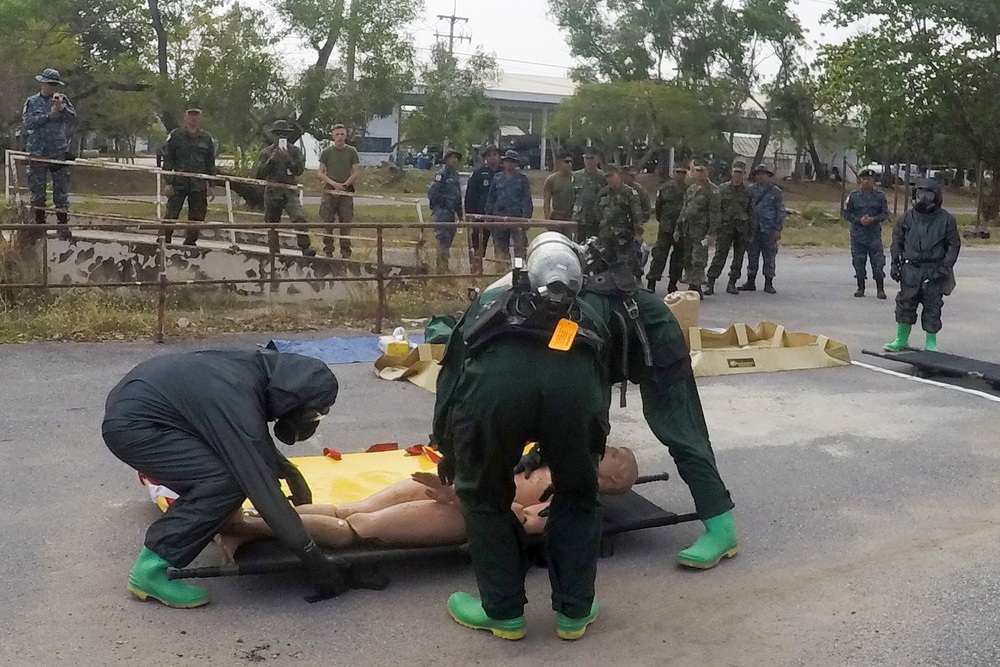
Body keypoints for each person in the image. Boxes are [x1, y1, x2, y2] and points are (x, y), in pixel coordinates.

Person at [101, 350, 381, 608]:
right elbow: (261, 488)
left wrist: (290, 473)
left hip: (152, 409)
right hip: (136, 427)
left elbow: (253, 442)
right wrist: (314, 560)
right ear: (293, 399)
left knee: (230, 473)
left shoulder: (255, 372)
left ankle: (209, 523)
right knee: (227, 482)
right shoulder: (237, 396)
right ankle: (150, 570)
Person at [433, 234, 610, 641]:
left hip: (494, 396)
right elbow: (600, 385)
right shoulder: (588, 314)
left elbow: (452, 375)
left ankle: (504, 613)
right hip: (573, 396)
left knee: (483, 495)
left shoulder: (488, 303)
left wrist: (448, 445)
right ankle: (574, 613)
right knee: (579, 494)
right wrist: (586, 446)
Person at [216, 447, 639, 557]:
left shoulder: (572, 502)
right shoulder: (560, 458)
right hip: (453, 488)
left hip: (462, 513)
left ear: (611, 480)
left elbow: (523, 524)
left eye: (607, 458)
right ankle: (255, 515)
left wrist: (463, 496)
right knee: (349, 509)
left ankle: (241, 526)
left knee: (355, 530)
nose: (599, 452)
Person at [883, 180, 960, 352]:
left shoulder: (946, 219)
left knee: (932, 306)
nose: (923, 199)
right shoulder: (908, 217)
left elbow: (953, 245)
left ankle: (930, 343)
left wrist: (945, 267)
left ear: (937, 196)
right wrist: (895, 261)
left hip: (934, 269)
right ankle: (901, 339)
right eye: (919, 195)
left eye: (928, 195)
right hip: (911, 268)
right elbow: (897, 239)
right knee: (905, 303)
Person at [21, 68, 76, 241]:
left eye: (54, 84)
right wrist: (48, 116)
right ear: (42, 83)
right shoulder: (32, 101)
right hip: (38, 151)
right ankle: (39, 226)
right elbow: (29, 122)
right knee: (38, 191)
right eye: (49, 83)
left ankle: (62, 225)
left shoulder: (62, 100)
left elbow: (73, 118)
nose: (51, 87)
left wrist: (62, 109)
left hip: (58, 151)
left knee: (61, 190)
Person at [254, 120, 316, 256]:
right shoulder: (266, 152)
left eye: (284, 135)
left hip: (289, 191)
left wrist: (288, 159)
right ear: (273, 136)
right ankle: (274, 252)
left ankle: (305, 247)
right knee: (272, 224)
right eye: (278, 134)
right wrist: (271, 160)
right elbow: (259, 174)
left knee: (299, 218)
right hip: (272, 192)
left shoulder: (294, 151)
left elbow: (299, 170)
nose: (281, 137)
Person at [161, 107, 217, 246]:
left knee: (197, 216)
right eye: (191, 115)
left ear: (200, 118)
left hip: (198, 184)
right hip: (179, 182)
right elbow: (168, 159)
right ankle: (163, 240)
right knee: (171, 213)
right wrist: (168, 182)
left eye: (196, 115)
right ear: (185, 117)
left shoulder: (206, 138)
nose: (193, 118)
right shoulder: (176, 135)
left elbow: (210, 162)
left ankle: (190, 243)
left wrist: (211, 184)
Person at [706, 161, 754, 296]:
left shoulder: (748, 191)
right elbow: (716, 210)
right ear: (731, 172)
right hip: (725, 228)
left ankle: (732, 283)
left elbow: (751, 211)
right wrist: (713, 229)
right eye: (736, 172)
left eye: (741, 172)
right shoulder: (722, 189)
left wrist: (751, 231)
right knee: (720, 256)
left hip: (742, 228)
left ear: (744, 174)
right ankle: (710, 282)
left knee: (738, 258)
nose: (738, 175)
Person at [675, 158, 721, 299]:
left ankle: (696, 286)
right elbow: (685, 209)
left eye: (702, 170)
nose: (699, 173)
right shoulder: (691, 188)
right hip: (688, 230)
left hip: (703, 233)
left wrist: (712, 234)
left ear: (708, 172)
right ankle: (691, 283)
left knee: (699, 258)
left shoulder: (713, 190)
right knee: (688, 257)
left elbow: (715, 213)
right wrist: (678, 228)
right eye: (697, 170)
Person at [842, 167, 890, 299]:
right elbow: (846, 213)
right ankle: (860, 287)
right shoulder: (853, 196)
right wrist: (858, 220)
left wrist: (873, 219)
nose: (866, 182)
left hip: (874, 235)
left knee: (878, 263)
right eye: (863, 179)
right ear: (860, 180)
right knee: (859, 262)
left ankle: (880, 289)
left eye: (869, 179)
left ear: (873, 181)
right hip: (858, 235)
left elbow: (885, 213)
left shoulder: (880, 196)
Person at [739, 164, 786, 294]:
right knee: (752, 255)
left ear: (769, 176)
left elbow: (781, 210)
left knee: (769, 256)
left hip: (769, 228)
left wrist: (778, 228)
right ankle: (750, 281)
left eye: (764, 174)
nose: (761, 176)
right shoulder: (750, 190)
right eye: (758, 174)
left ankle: (768, 282)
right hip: (753, 228)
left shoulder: (776, 192)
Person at [318, 124, 361, 259]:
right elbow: (320, 172)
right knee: (327, 222)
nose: (340, 137)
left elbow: (356, 171)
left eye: (342, 134)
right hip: (330, 190)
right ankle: (328, 251)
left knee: (346, 222)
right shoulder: (326, 152)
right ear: (332, 136)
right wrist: (333, 184)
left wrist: (345, 184)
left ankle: (345, 252)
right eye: (337, 134)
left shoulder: (352, 151)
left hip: (346, 190)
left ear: (346, 135)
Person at [597, 165, 645, 278]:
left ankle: (634, 283)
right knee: (606, 263)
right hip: (606, 235)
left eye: (611, 176)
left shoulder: (629, 193)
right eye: (607, 177)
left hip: (623, 236)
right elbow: (598, 212)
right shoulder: (603, 193)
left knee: (627, 265)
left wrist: (638, 233)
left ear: (618, 175)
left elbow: (637, 214)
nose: (609, 179)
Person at [485, 150, 534, 262]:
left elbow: (527, 200)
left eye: (513, 161)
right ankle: (502, 272)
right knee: (500, 248)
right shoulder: (497, 178)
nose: (510, 164)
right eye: (507, 161)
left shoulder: (522, 179)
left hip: (517, 219)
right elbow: (491, 199)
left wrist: (526, 219)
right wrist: (488, 218)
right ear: (503, 163)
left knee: (520, 248)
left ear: (516, 163)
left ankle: (519, 272)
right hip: (499, 219)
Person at [647, 165, 689, 293]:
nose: (680, 174)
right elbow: (658, 208)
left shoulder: (689, 190)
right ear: (673, 173)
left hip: (681, 230)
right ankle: (652, 282)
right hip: (665, 228)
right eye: (678, 172)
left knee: (678, 259)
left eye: (683, 172)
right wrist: (662, 221)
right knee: (659, 256)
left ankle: (673, 283)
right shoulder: (664, 188)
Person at [464, 145, 502, 272]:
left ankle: (500, 272)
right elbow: (470, 196)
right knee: (479, 246)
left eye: (495, 154)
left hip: (499, 217)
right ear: (485, 158)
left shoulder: (504, 172)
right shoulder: (479, 174)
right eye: (489, 155)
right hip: (481, 216)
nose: (492, 158)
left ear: (499, 156)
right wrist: (471, 215)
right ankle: (476, 272)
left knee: (500, 247)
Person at [427, 149, 464, 272]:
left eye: (455, 158)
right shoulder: (441, 175)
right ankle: (441, 268)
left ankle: (444, 266)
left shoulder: (455, 175)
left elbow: (458, 196)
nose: (454, 160)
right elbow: (432, 192)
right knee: (442, 239)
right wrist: (437, 206)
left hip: (451, 212)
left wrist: (460, 214)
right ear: (446, 160)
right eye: (451, 157)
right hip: (442, 212)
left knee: (448, 240)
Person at [572, 148, 606, 241]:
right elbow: (572, 196)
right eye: (586, 158)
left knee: (595, 245)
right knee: (578, 244)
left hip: (596, 219)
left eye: (591, 158)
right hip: (579, 218)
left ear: (597, 160)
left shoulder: (603, 177)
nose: (589, 161)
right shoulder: (576, 175)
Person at [543, 149, 576, 225]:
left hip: (572, 217)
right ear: (559, 163)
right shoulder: (551, 179)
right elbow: (546, 201)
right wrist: (547, 220)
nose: (569, 164)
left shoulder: (577, 177)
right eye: (566, 162)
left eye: (571, 162)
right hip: (557, 216)